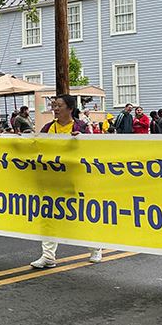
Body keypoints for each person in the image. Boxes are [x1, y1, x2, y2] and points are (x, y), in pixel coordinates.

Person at [30, 95, 103, 268]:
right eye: (53, 105)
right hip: (53, 178)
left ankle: (96, 248)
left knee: (81, 214)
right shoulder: (48, 127)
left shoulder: (81, 127)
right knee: (49, 216)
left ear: (70, 108)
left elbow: (93, 149)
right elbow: (37, 146)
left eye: (59, 106)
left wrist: (82, 139)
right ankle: (48, 256)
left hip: (75, 179)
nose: (55, 109)